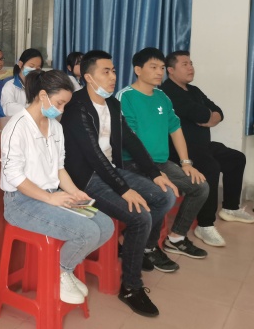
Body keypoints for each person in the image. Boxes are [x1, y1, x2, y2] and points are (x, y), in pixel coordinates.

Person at [62, 50, 179, 317]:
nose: (113, 76)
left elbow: (131, 140)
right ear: (88, 77)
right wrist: (124, 190)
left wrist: (154, 173)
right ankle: (130, 287)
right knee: (141, 216)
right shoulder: (77, 107)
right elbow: (94, 155)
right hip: (86, 179)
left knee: (164, 196)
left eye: (114, 70)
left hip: (111, 171)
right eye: (106, 71)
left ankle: (135, 246)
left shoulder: (112, 105)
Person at [1, 69, 114, 304]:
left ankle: (65, 269)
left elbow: (59, 168)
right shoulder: (17, 126)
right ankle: (61, 271)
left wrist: (74, 192)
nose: (61, 110)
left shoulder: (55, 127)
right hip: (21, 202)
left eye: (64, 105)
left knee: (105, 225)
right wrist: (50, 198)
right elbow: (13, 175)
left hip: (52, 195)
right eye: (60, 103)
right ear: (43, 95)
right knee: (88, 231)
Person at [117, 47, 209, 259]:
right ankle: (148, 247)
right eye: (153, 67)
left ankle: (176, 238)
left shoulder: (162, 97)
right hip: (133, 163)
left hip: (160, 162)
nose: (159, 72)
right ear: (138, 70)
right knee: (163, 192)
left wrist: (186, 163)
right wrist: (153, 172)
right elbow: (131, 139)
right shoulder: (125, 97)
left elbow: (175, 129)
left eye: (161, 68)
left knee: (200, 187)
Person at [161, 51, 254, 247]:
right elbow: (203, 115)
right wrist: (208, 116)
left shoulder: (193, 90)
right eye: (185, 64)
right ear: (170, 70)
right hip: (179, 151)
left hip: (202, 146)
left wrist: (211, 116)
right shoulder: (168, 92)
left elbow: (218, 112)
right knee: (210, 167)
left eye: (191, 63)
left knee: (236, 158)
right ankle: (204, 225)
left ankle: (230, 208)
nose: (190, 68)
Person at [0, 48, 43, 117]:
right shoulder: (10, 85)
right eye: (31, 66)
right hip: (10, 121)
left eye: (38, 68)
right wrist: (33, 110)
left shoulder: (40, 85)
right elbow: (9, 108)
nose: (34, 70)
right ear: (20, 64)